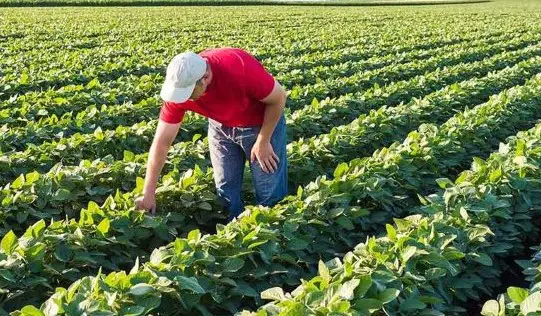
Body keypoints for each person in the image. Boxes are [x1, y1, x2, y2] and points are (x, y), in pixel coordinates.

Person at [135, 47, 288, 221]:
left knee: (269, 192)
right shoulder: (180, 87)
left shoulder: (238, 67)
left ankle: (273, 236)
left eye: (189, 93)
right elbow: (161, 143)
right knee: (225, 190)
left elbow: (279, 98)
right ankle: (234, 236)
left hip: (260, 124)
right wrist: (148, 192)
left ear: (205, 78)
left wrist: (263, 141)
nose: (184, 99)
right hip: (220, 126)